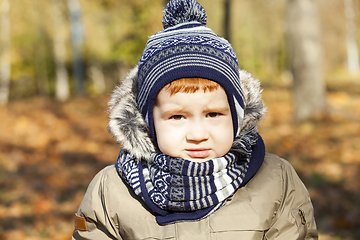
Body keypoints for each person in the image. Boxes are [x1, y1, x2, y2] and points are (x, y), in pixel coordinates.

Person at [72, 0, 318, 239]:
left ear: (236, 116)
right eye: (177, 116)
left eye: (213, 114)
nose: (198, 134)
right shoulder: (112, 191)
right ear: (148, 122)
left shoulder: (276, 181)